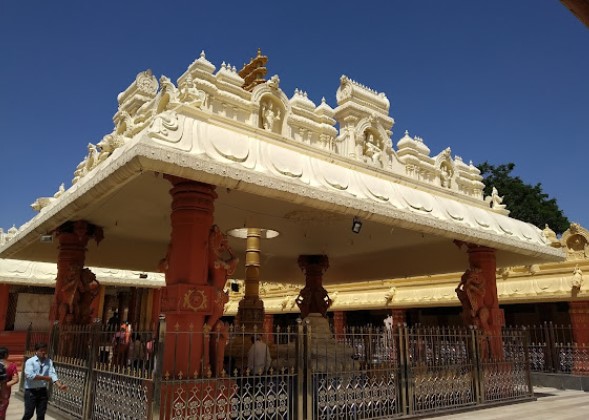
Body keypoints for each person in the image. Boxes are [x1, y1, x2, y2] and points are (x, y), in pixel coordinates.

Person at [22, 342, 67, 420]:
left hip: (42, 391)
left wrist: (59, 385)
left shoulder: (49, 361)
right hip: (31, 391)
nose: (43, 352)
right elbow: (30, 376)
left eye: (45, 350)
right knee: (29, 414)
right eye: (41, 350)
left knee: (41, 414)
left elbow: (52, 374)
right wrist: (45, 378)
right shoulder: (30, 361)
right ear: (36, 351)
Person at [0, 346, 19, 420]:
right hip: (5, 393)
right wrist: (4, 385)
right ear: (6, 355)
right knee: (2, 412)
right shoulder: (11, 365)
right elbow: (16, 379)